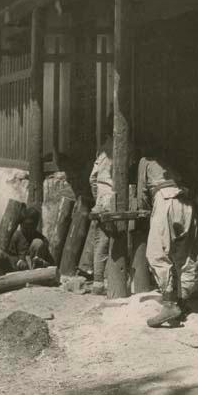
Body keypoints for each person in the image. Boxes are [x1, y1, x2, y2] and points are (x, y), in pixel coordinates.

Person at [137, 144, 198, 327]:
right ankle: (183, 300)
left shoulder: (145, 161)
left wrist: (148, 211)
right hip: (186, 200)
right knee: (185, 254)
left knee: (157, 253)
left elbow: (142, 194)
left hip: (165, 200)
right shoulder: (176, 156)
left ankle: (169, 304)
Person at [87, 119, 114, 295]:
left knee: (101, 241)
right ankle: (110, 280)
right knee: (114, 241)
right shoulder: (124, 148)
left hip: (103, 197)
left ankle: (98, 282)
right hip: (114, 196)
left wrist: (99, 198)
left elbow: (92, 179)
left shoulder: (102, 151)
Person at [0, 206, 53, 274]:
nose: (27, 228)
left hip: (34, 269)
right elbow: (11, 255)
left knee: (37, 243)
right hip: (18, 267)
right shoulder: (16, 236)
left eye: (30, 225)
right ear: (20, 224)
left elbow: (50, 263)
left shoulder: (41, 239)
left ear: (35, 225)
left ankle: (34, 273)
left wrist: (41, 263)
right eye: (24, 225)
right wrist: (19, 262)